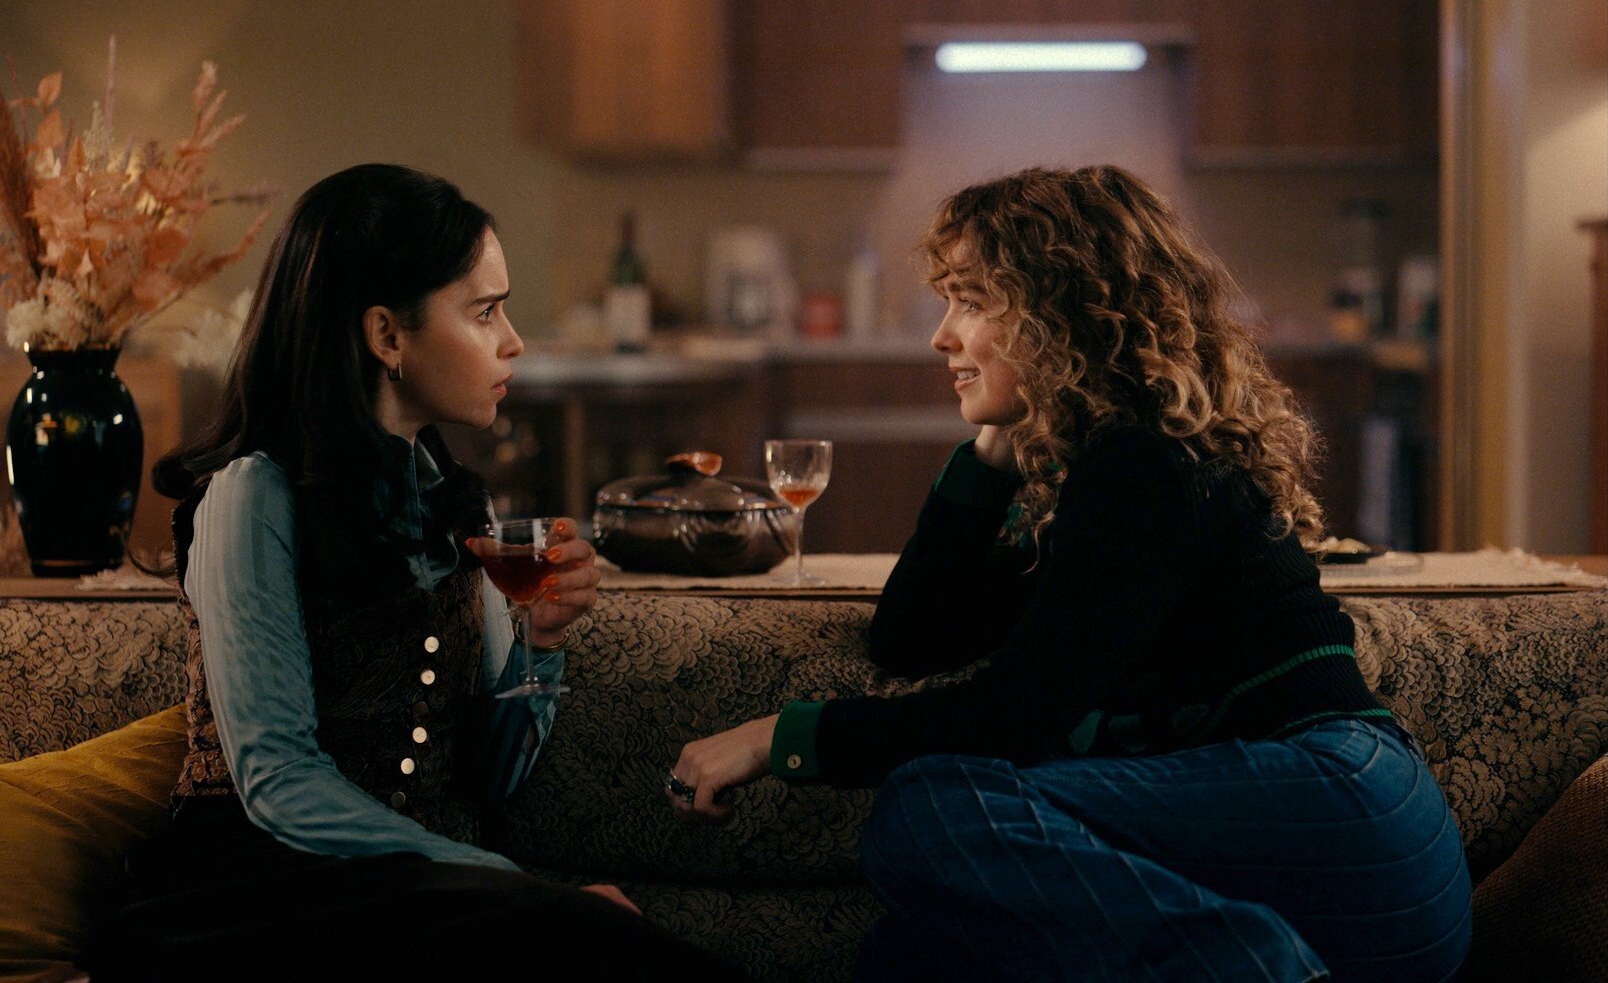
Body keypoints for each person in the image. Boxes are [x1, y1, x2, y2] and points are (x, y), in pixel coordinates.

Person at [668, 166, 1471, 981]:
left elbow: (1017, 714)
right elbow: (909, 640)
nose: (942, 336)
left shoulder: (1146, 466)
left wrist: (783, 737)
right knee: (923, 948)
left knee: (930, 806)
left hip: (1346, 816)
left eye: (971, 301)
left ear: (1059, 314)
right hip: (1337, 843)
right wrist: (990, 454)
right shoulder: (1090, 475)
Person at [88, 164, 741, 980]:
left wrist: (539, 643)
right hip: (257, 894)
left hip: (416, 891)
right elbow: (278, 782)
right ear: (387, 337)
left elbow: (489, 778)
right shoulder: (253, 494)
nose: (513, 341)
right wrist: (508, 883)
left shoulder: (457, 505)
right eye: (485, 312)